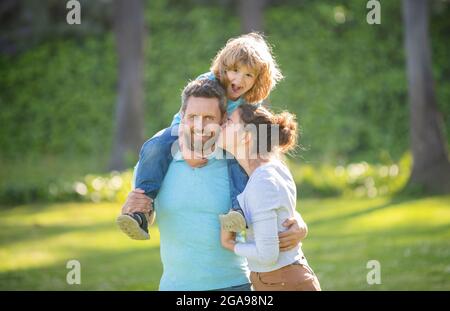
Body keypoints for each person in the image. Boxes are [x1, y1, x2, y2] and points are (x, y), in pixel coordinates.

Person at [121, 79, 306, 290]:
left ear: (223, 121)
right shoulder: (155, 164)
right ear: (181, 118)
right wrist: (134, 207)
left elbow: (272, 197)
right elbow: (146, 215)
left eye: (209, 118)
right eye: (192, 117)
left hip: (236, 286)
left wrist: (298, 223)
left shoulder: (237, 164)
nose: (199, 126)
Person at [117, 32, 284, 239]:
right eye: (234, 70)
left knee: (237, 158)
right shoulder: (207, 82)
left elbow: (251, 133)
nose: (239, 79)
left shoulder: (250, 101)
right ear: (224, 67)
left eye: (248, 75)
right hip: (187, 131)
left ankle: (238, 210)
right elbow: (183, 119)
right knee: (155, 145)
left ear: (258, 80)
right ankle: (141, 210)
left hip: (223, 140)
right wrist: (186, 149)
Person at [219, 103, 321, 291]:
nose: (221, 125)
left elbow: (267, 255)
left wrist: (230, 244)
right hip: (286, 277)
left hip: (282, 281)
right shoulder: (273, 169)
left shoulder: (262, 181)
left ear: (247, 137)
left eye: (229, 121)